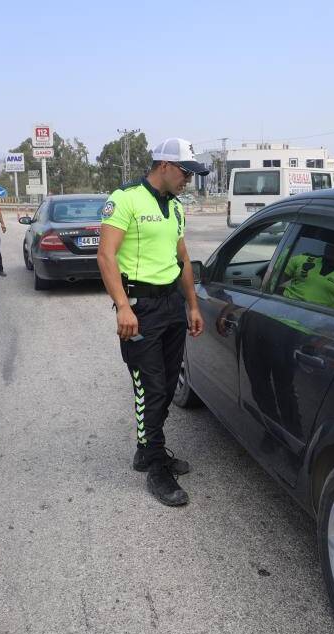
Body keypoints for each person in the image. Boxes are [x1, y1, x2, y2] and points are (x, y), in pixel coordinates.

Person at [96, 137, 208, 507]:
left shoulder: (175, 208)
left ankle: (147, 451)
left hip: (172, 305)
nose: (189, 180)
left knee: (166, 381)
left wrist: (192, 305)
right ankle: (156, 466)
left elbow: (184, 261)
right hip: (140, 308)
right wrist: (123, 306)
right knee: (151, 387)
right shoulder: (126, 198)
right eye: (185, 172)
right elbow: (106, 256)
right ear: (164, 165)